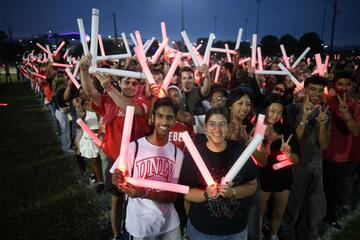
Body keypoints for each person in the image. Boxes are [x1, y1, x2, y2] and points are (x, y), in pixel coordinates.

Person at [80, 54, 151, 240]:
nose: (130, 86)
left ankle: (137, 232)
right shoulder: (109, 100)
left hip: (137, 160)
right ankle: (116, 234)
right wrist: (83, 70)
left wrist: (109, 88)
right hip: (115, 160)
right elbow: (90, 92)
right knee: (117, 201)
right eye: (126, 81)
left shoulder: (143, 102)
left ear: (139, 87)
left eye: (134, 83)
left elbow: (131, 109)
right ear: (121, 82)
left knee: (138, 200)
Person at [180, 107, 264, 239]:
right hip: (203, 230)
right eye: (212, 124)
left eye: (222, 124)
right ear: (205, 128)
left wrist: (233, 192)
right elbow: (186, 194)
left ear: (229, 127)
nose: (217, 129)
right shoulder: (194, 155)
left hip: (235, 230)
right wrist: (206, 194)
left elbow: (252, 186)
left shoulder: (239, 151)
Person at [111, 97, 184, 240]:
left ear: (175, 121)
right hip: (140, 226)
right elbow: (120, 184)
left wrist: (144, 193)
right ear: (152, 118)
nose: (164, 122)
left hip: (169, 225)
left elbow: (172, 196)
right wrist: (118, 181)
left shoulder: (178, 154)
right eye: (160, 116)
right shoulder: (133, 148)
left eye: (169, 118)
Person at [282, 75, 331, 240]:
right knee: (292, 207)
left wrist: (322, 125)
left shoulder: (325, 113)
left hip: (315, 166)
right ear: (305, 89)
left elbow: (323, 146)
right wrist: (303, 118)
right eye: (312, 89)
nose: (316, 94)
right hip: (296, 166)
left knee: (312, 208)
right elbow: (294, 140)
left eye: (320, 90)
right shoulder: (292, 109)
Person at [258, 94, 299, 240]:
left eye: (279, 112)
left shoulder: (286, 130)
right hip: (262, 178)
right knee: (260, 213)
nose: (275, 115)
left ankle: (274, 235)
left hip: (283, 178)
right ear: (265, 110)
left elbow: (297, 159)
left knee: (278, 213)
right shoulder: (256, 127)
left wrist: (287, 153)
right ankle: (260, 235)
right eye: (272, 111)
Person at [322, 71, 360, 227]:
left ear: (352, 86)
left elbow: (356, 132)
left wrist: (346, 116)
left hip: (340, 157)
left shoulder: (355, 106)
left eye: (347, 84)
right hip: (322, 153)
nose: (344, 88)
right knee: (322, 189)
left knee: (334, 191)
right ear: (334, 85)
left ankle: (330, 217)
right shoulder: (327, 101)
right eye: (340, 84)